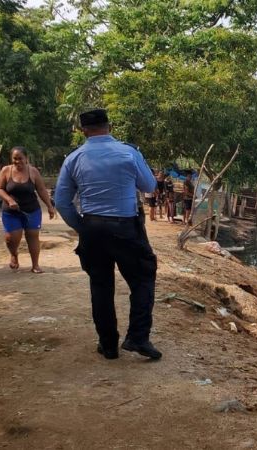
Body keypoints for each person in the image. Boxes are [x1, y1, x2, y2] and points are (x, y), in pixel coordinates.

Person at [54, 108, 161, 361]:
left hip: (92, 228)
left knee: (101, 286)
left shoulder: (74, 158)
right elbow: (149, 186)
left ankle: (109, 345)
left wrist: (81, 227)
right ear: (109, 126)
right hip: (126, 228)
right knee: (143, 279)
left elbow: (62, 201)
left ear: (83, 131)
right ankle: (137, 337)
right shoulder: (128, 152)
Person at [0, 147, 56, 273]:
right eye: (15, 159)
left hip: (31, 210)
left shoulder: (33, 172)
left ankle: (35, 265)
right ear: (11, 159)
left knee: (32, 236)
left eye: (20, 158)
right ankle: (14, 254)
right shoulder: (6, 170)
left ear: (26, 158)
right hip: (11, 212)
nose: (18, 161)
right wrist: (9, 200)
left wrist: (50, 206)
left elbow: (41, 190)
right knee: (11, 238)